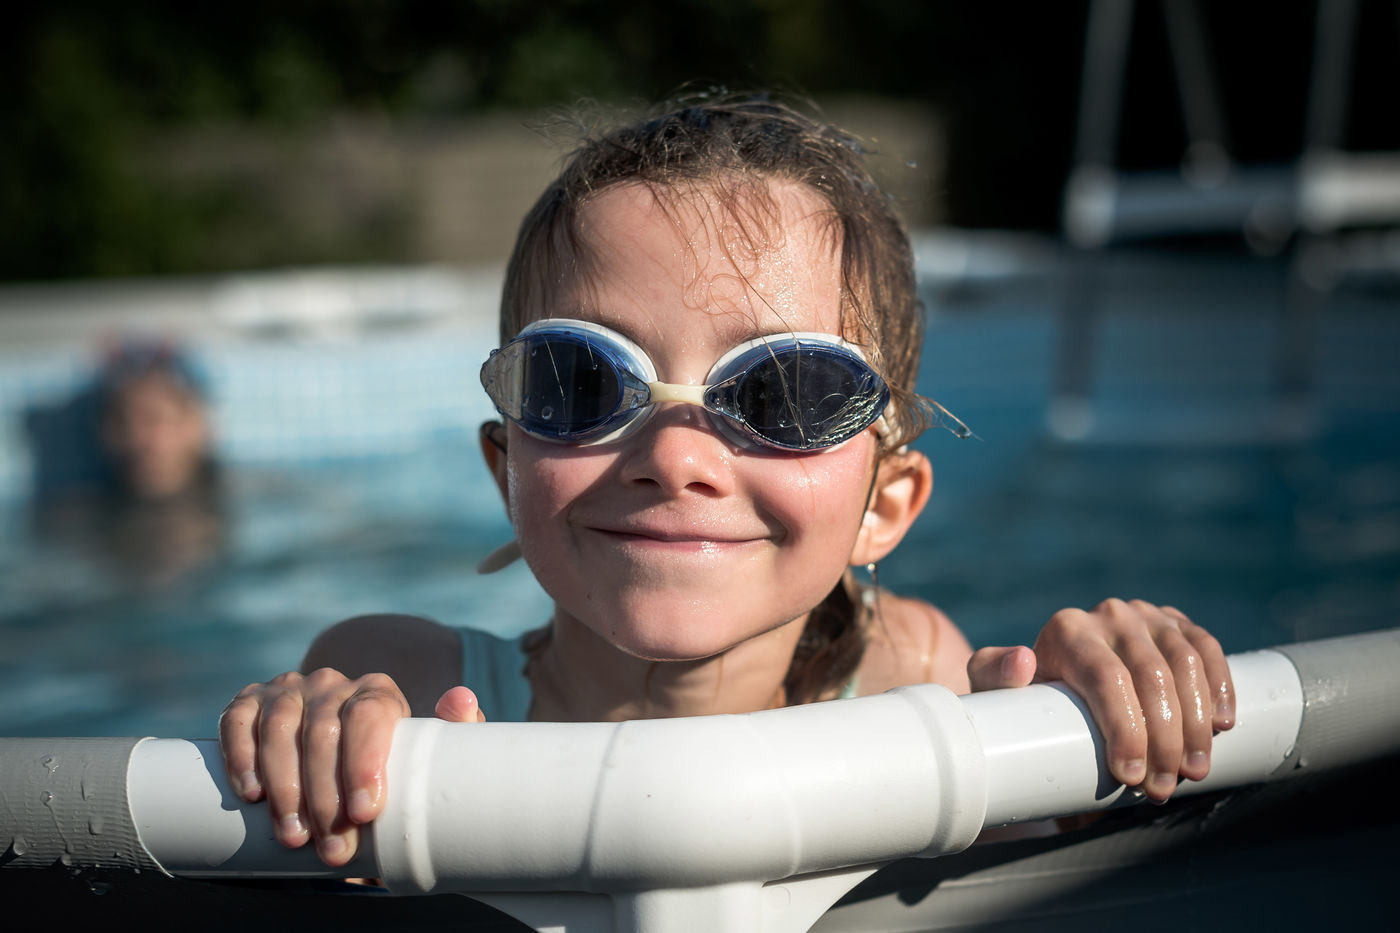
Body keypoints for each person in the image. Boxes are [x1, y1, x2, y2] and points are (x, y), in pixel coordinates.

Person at [219, 95, 1235, 868]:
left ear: (883, 505)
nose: (673, 456)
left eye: (784, 393)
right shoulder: (399, 685)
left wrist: (1100, 717)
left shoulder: (914, 675)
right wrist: (314, 745)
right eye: (582, 381)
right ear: (506, 468)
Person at [28, 339, 226, 587]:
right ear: (101, 431)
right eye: (121, 421)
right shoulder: (68, 520)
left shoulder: (245, 497)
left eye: (155, 419)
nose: (137, 439)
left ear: (196, 426)